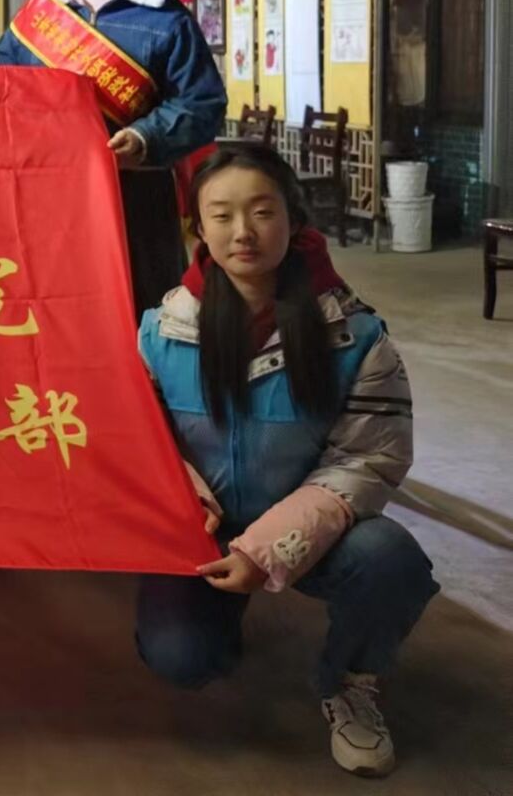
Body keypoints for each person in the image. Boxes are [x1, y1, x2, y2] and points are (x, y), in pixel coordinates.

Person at [135, 144, 435, 778]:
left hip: (312, 531)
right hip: (200, 532)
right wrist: (189, 503)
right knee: (182, 658)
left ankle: (350, 681)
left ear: (293, 220)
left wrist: (266, 551)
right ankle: (217, 620)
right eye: (221, 215)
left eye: (262, 211)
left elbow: (368, 459)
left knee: (391, 559)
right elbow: (139, 438)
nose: (242, 232)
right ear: (198, 228)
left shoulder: (354, 336)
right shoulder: (161, 332)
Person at [0, 0, 226, 313]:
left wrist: (145, 137)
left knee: (140, 303)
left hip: (137, 197)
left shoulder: (165, 19)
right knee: (58, 307)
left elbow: (202, 103)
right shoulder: (38, 17)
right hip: (49, 195)